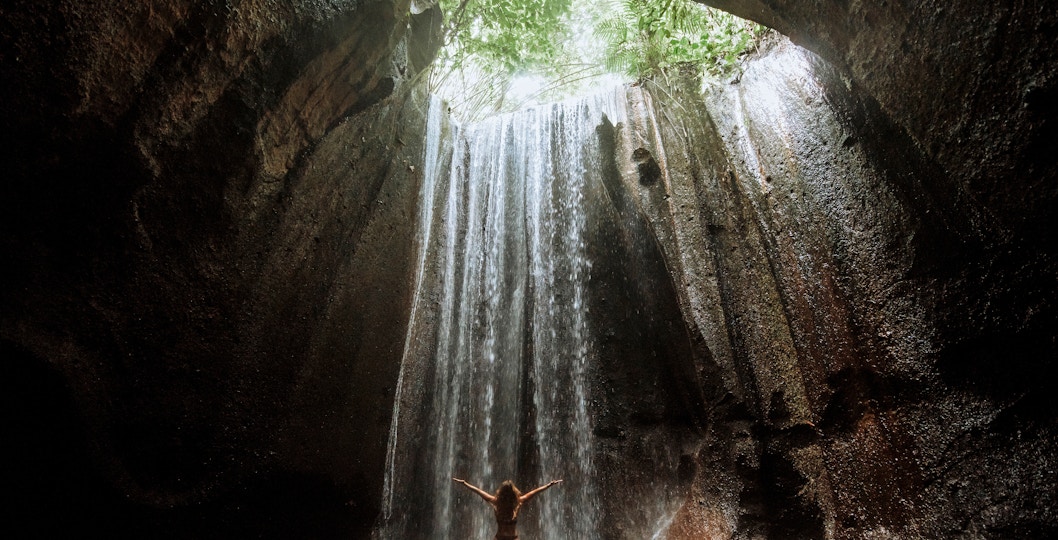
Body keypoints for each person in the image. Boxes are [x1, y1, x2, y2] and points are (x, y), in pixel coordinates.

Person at [452, 477, 562, 540]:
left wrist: (465, 483)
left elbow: (479, 492)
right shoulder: (517, 502)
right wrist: (548, 485)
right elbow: (534, 492)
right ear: (514, 492)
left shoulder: (497, 502)